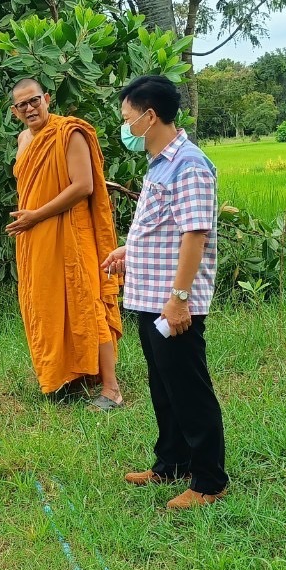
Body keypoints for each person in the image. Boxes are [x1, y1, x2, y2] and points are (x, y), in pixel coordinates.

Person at [101, 76, 229, 510]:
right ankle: (171, 462)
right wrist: (128, 249)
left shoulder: (189, 165)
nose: (125, 127)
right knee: (164, 385)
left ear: (149, 116)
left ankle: (210, 480)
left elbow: (195, 234)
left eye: (127, 118)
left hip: (170, 300)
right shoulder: (160, 164)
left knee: (189, 388)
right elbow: (165, 226)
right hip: (148, 294)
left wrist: (179, 297)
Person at [7, 79, 124, 410]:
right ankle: (68, 375)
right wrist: (31, 221)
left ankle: (112, 390)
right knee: (48, 305)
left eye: (34, 101)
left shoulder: (69, 133)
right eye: (21, 105)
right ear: (15, 112)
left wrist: (35, 216)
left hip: (72, 233)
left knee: (88, 305)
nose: (29, 108)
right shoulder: (23, 139)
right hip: (36, 238)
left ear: (46, 99)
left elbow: (84, 185)